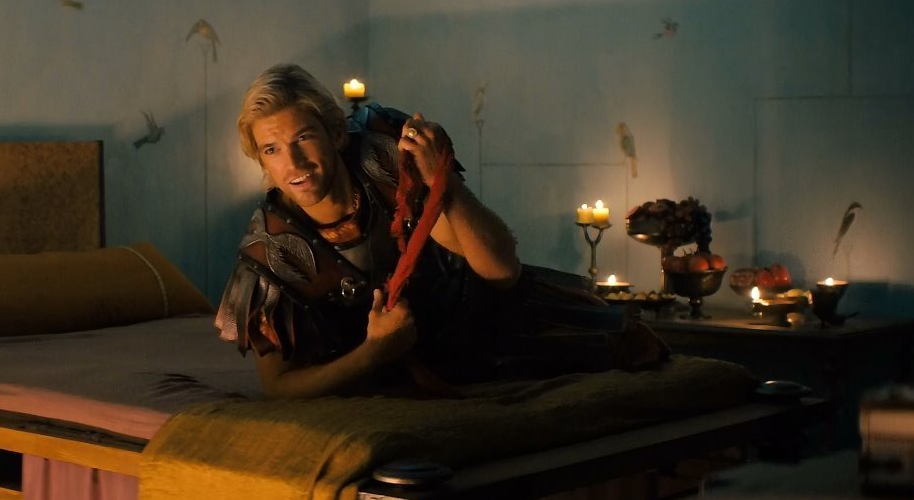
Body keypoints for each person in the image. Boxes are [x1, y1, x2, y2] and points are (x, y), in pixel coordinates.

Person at [215, 63, 668, 399]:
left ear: (334, 134)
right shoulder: (268, 253)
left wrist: (440, 184)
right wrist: (374, 353)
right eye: (271, 149)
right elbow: (279, 388)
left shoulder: (388, 155)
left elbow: (501, 271)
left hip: (485, 317)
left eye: (303, 138)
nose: (292, 163)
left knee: (628, 344)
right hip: (402, 371)